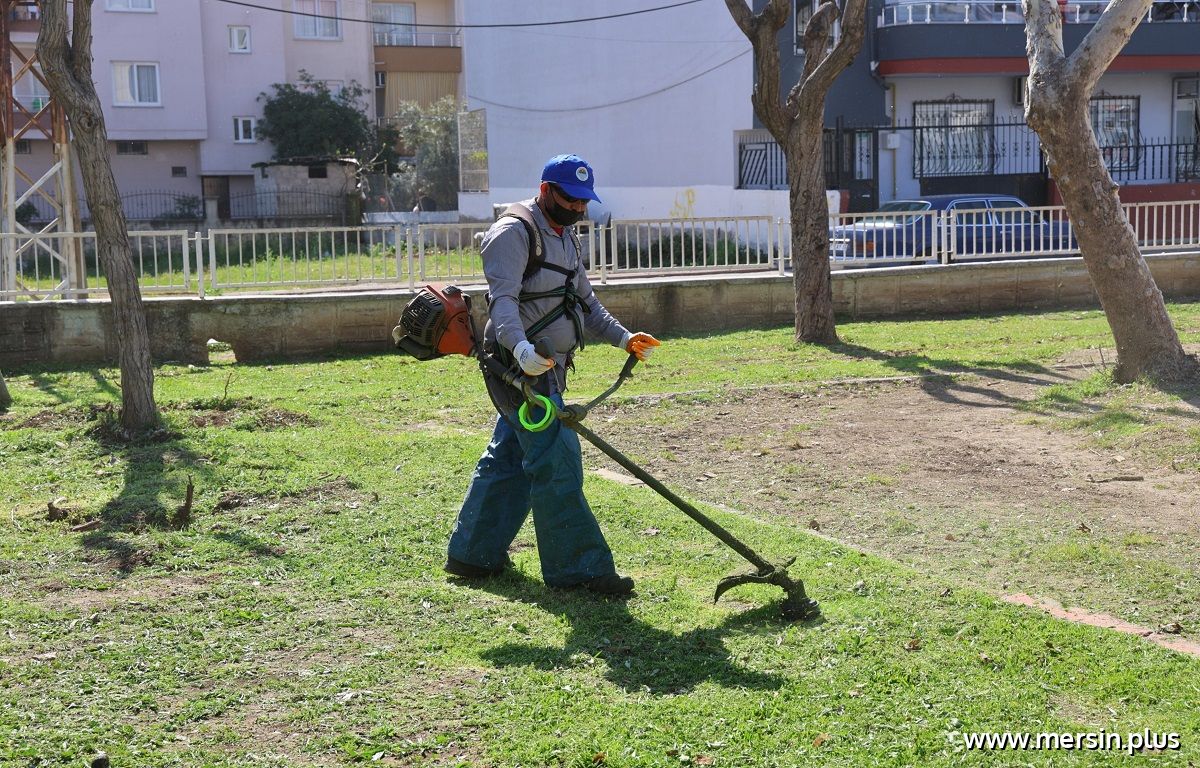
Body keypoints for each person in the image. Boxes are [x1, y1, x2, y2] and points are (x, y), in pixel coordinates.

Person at [445, 154, 660, 595]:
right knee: (556, 460)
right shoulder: (513, 233)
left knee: (509, 459)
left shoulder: (565, 236)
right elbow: (502, 302)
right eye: (571, 199)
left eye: (585, 201)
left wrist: (623, 339)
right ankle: (578, 570)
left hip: (545, 367)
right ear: (546, 191)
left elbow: (585, 302)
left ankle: (473, 555)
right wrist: (521, 350)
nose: (580, 208)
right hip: (517, 367)